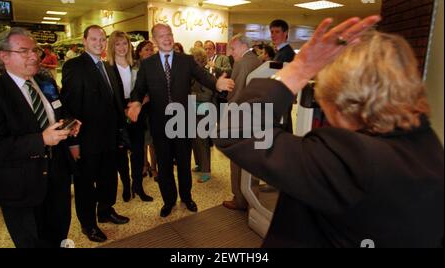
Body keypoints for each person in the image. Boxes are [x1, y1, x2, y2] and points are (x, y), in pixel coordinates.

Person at [215, 15, 444, 247]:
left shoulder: (348, 158)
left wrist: (301, 68)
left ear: (340, 100)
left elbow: (235, 131)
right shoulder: (428, 146)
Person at [127, 23, 235, 218]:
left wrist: (217, 83)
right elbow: (139, 89)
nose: (167, 38)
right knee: (165, 164)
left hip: (183, 120)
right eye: (161, 36)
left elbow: (203, 76)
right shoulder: (147, 64)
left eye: (169, 34)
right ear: (155, 40)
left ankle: (186, 197)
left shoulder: (185, 60)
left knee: (184, 163)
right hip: (159, 123)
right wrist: (135, 102)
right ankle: (169, 201)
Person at [0, 27, 81, 248]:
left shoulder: (44, 81)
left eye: (35, 50)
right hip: (22, 186)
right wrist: (40, 140)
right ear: (4, 56)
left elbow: (57, 110)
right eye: (24, 51)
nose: (34, 56)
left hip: (57, 174)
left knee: (58, 232)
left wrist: (69, 124)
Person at [61, 25, 130, 243]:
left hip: (110, 137)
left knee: (108, 178)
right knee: (85, 184)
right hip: (87, 139)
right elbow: (69, 105)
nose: (99, 43)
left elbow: (114, 100)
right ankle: (88, 224)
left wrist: (120, 130)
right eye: (94, 39)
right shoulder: (74, 65)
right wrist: (73, 141)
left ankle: (106, 210)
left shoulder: (107, 66)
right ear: (84, 41)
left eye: (102, 39)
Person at [106, 31, 153, 203]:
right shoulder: (107, 68)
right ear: (112, 46)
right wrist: (122, 110)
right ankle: (126, 186)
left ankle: (138, 186)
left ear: (129, 46)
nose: (121, 47)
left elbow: (146, 89)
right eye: (117, 44)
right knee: (121, 154)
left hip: (138, 113)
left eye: (124, 44)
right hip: (117, 117)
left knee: (138, 152)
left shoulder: (138, 66)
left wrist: (142, 101)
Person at [222, 33, 262, 211]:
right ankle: (250, 194)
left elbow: (236, 92)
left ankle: (239, 199)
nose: (231, 52)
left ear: (244, 46)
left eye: (233, 48)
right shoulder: (258, 61)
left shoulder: (242, 63)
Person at [134, 40, 158, 181]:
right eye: (146, 49)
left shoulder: (157, 66)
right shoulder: (134, 67)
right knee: (142, 140)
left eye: (151, 49)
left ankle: (154, 168)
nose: (149, 52)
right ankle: (144, 165)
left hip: (154, 108)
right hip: (140, 109)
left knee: (153, 141)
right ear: (140, 52)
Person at [190, 47, 213, 183]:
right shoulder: (193, 74)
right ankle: (199, 165)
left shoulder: (205, 75)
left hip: (203, 111)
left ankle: (206, 171)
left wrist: (190, 95)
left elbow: (207, 95)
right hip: (193, 110)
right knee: (195, 141)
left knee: (202, 142)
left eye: (196, 60)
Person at [270, 19, 297, 134]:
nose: (273, 35)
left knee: (283, 130)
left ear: (285, 33)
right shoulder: (281, 52)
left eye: (277, 32)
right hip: (282, 97)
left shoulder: (286, 53)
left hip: (282, 98)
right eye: (272, 32)